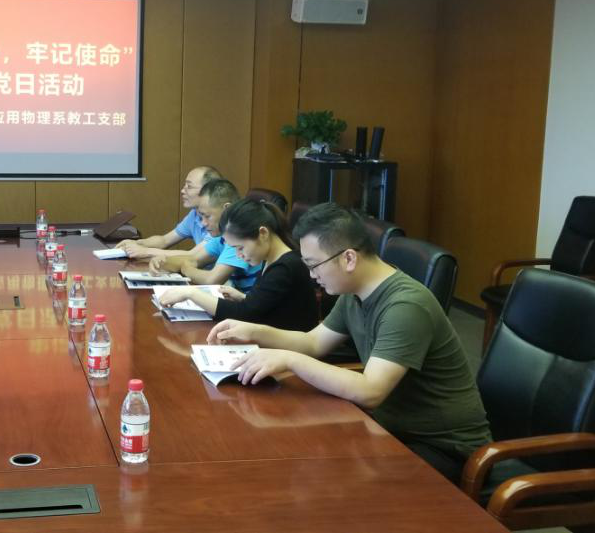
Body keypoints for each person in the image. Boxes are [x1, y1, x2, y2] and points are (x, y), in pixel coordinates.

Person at [208, 203, 491, 482]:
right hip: (391, 427)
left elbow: (371, 391)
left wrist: (289, 359)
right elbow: (313, 342)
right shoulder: (355, 292)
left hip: (443, 448)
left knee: (331, 481)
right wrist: (254, 331)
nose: (311, 275)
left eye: (314, 265)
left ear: (349, 259)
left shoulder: (405, 306)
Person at [157, 198, 315, 331]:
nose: (239, 255)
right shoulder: (271, 259)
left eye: (240, 248)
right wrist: (244, 298)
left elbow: (244, 314)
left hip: (286, 351)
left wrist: (191, 293)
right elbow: (267, 305)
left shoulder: (285, 268)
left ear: (263, 234)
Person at [149, 179, 263, 291]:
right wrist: (164, 261)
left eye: (207, 216)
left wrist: (186, 269)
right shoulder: (221, 238)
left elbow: (212, 279)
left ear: (227, 209)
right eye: (201, 217)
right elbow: (194, 259)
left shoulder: (238, 239)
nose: (203, 223)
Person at [115, 165, 222, 259]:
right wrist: (137, 243)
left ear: (209, 191)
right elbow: (165, 240)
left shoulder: (220, 219)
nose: (182, 191)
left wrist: (146, 251)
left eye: (189, 187)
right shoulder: (194, 214)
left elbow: (193, 255)